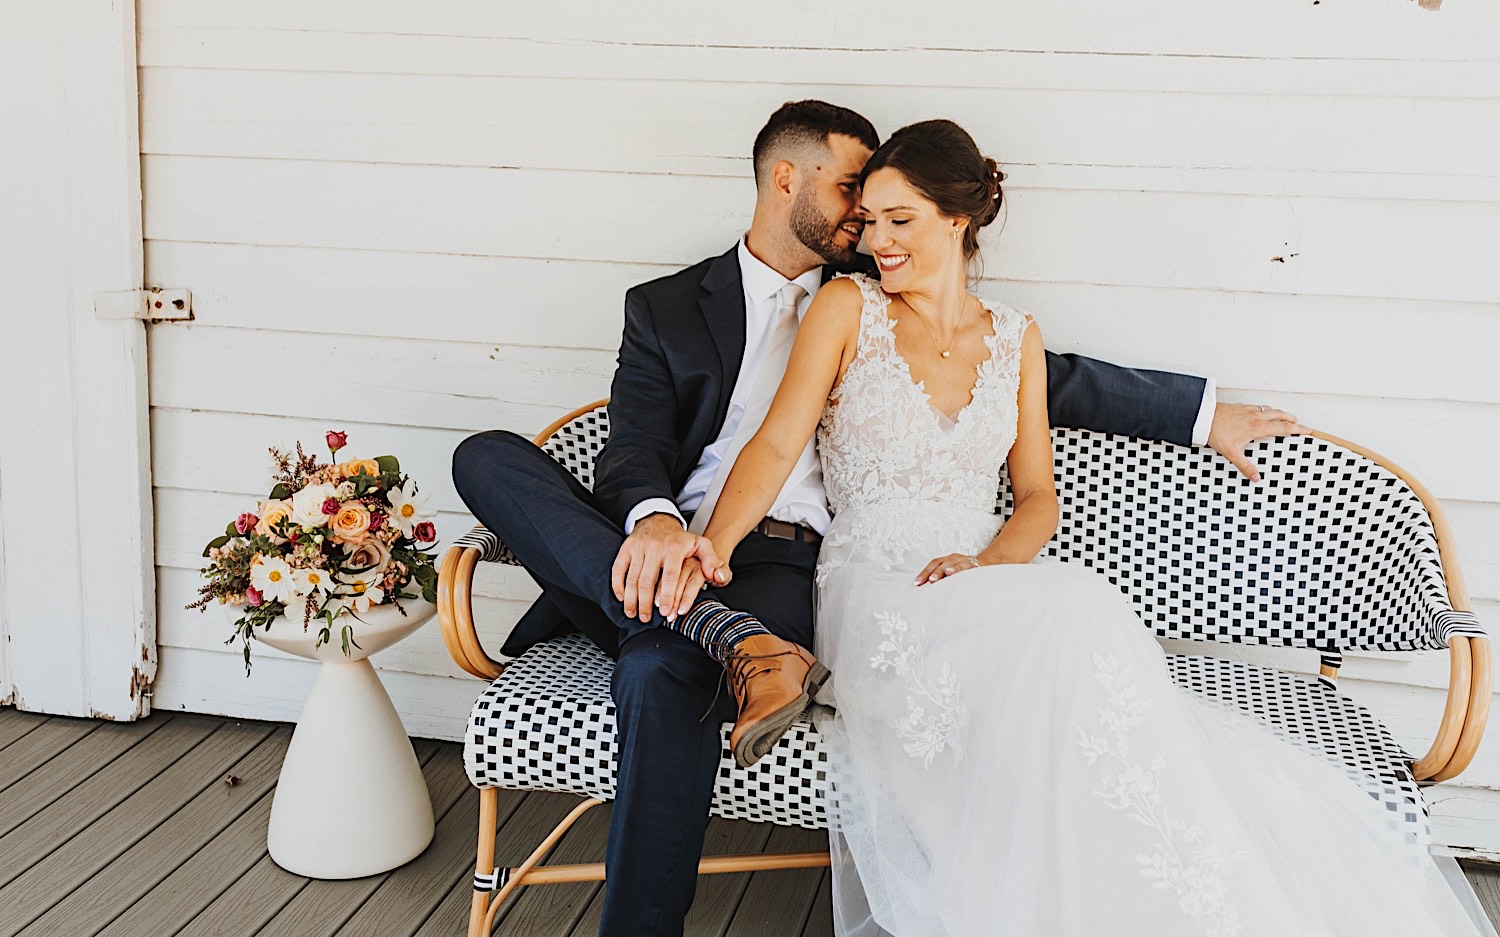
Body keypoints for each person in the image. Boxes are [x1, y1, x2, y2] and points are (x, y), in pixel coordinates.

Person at [451, 101, 1296, 937]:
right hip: (678, 549)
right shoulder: (670, 308)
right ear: (788, 180)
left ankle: (718, 637)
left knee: (656, 676)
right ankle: (716, 626)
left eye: (889, 209)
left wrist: (1199, 413)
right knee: (485, 455)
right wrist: (666, 528)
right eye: (855, 191)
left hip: (787, 569)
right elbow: (644, 448)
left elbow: (1041, 391)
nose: (867, 221)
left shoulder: (892, 303)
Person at [683, 118, 1492, 936]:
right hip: (879, 589)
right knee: (1066, 613)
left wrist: (987, 562)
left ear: (957, 220)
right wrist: (705, 552)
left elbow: (1038, 497)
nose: (879, 243)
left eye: (902, 221)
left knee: (1077, 605)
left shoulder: (1015, 338)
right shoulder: (845, 309)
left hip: (982, 579)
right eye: (873, 222)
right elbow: (778, 442)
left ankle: (1143, 894)